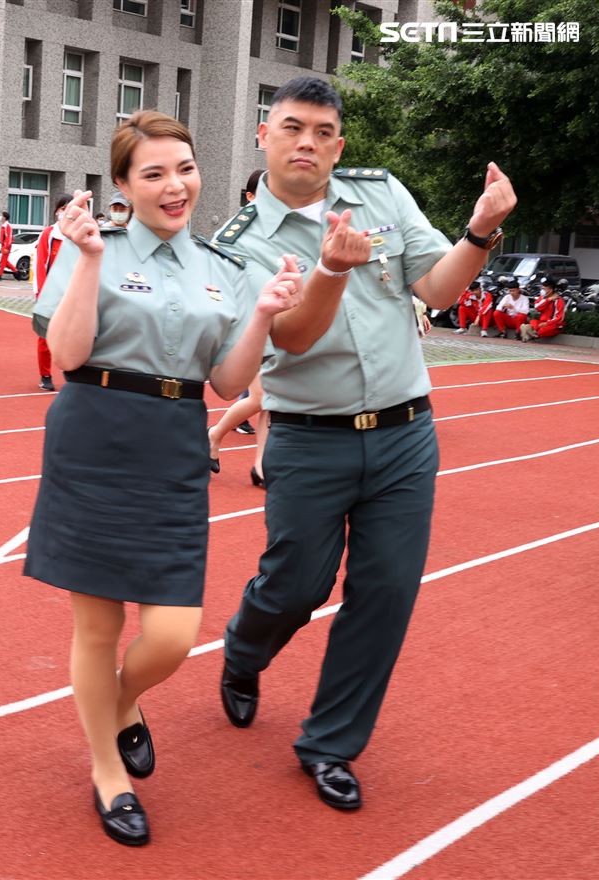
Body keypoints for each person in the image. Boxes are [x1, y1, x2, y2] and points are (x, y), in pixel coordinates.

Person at [215, 76, 516, 811]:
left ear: (339, 144)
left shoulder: (380, 193)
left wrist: (480, 231)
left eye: (322, 131)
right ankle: (244, 651)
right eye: (292, 128)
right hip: (310, 442)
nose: (307, 143)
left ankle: (331, 744)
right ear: (265, 135)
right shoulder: (237, 243)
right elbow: (290, 336)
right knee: (296, 586)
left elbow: (439, 290)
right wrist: (329, 271)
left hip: (405, 434)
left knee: (384, 592)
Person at [25, 110, 301, 847]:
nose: (174, 185)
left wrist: (265, 317)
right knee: (98, 623)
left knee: (173, 634)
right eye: (153, 173)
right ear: (123, 185)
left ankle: (119, 703)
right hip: (94, 434)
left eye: (183, 168)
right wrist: (85, 260)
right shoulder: (93, 247)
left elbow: (227, 383)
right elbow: (67, 354)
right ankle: (107, 771)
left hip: (175, 444)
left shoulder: (223, 269)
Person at [207, 169, 269, 485]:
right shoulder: (236, 232)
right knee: (262, 397)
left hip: (276, 325)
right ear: (249, 196)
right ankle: (214, 435)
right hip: (249, 326)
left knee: (273, 399)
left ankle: (261, 465)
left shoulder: (276, 230)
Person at [32, 196, 70, 391]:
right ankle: (45, 375)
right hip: (51, 293)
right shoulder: (49, 234)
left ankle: (75, 374)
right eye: (62, 208)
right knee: (45, 336)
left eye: (69, 208)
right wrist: (41, 294)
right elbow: (40, 264)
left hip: (73, 294)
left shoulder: (80, 234)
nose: (65, 212)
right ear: (56, 211)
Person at [520, 276, 565, 341]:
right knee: (533, 322)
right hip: (542, 322)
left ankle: (530, 334)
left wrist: (547, 323)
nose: (542, 290)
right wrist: (548, 300)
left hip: (554, 324)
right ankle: (531, 333)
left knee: (543, 329)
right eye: (542, 287)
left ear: (550, 290)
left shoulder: (559, 300)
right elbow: (537, 307)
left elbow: (559, 318)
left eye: (544, 288)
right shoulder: (543, 298)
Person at [0, 211, 16, 280]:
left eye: (2, 216)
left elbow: (9, 237)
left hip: (6, 246)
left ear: (4, 218)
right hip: (3, 246)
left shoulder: (7, 226)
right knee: (5, 262)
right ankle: (16, 271)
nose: (1, 217)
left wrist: (6, 247)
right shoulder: (4, 226)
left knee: (3, 262)